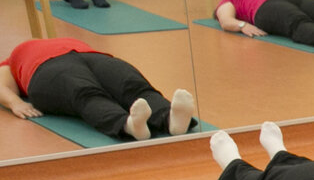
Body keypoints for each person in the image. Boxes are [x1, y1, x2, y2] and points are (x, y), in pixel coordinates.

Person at [2, 36, 199, 141]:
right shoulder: (12, 59)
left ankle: (172, 119)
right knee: (85, 93)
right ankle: (128, 126)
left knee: (131, 85)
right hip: (45, 69)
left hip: (93, 57)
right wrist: (15, 103)